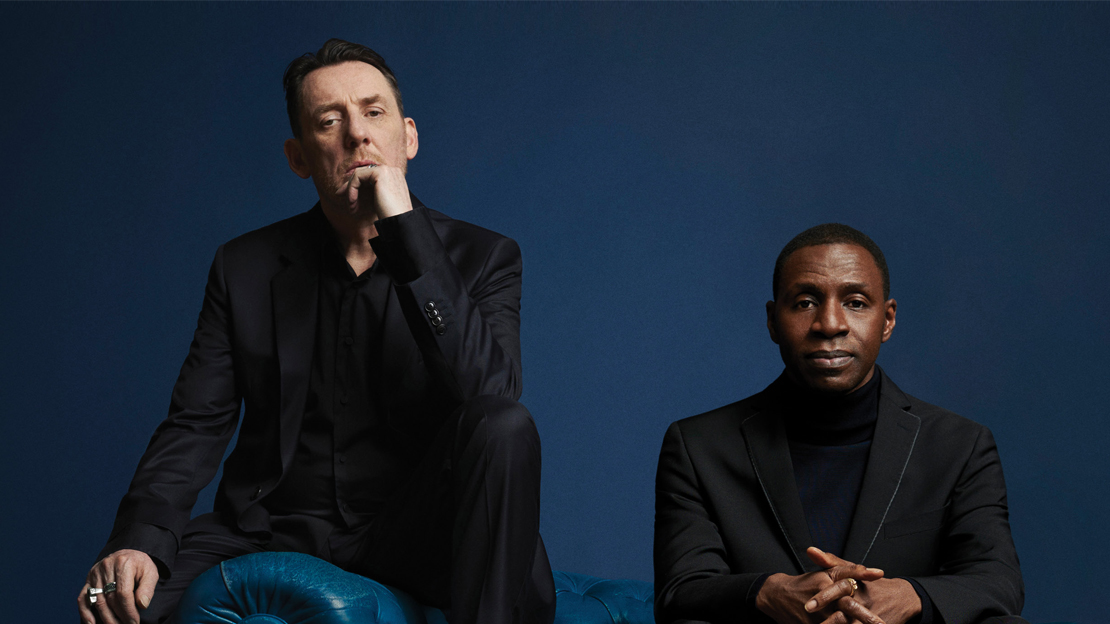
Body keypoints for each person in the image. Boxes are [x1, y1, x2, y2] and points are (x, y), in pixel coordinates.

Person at [78, 39, 554, 624]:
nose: (358, 135)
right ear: (299, 157)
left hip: (420, 536)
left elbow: (490, 399)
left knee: (504, 423)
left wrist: (407, 235)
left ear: (408, 137)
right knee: (118, 605)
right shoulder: (244, 267)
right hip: (271, 526)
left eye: (374, 113)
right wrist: (137, 540)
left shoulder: (485, 257)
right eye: (330, 121)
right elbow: (195, 422)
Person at [654, 224, 1026, 624]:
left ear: (887, 320)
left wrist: (909, 595)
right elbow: (682, 589)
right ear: (773, 321)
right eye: (805, 303)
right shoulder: (698, 447)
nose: (830, 324)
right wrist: (768, 592)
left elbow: (997, 582)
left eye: (856, 302)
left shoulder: (960, 446)